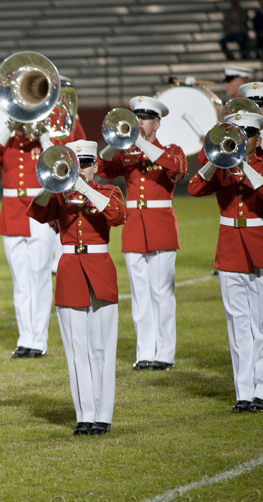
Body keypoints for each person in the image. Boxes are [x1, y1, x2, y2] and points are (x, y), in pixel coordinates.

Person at [28, 140, 126, 435]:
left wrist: (85, 188)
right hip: (70, 269)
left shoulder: (108, 191)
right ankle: (84, 414)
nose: (81, 170)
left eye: (85, 164)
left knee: (102, 347)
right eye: (76, 164)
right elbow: (36, 211)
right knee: (76, 348)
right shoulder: (59, 195)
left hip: (100, 270)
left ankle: (103, 416)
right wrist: (53, 182)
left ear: (96, 165)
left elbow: (118, 216)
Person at [188, 110, 263, 413]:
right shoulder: (221, 164)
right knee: (237, 323)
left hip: (261, 246)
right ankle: (244, 392)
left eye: (247, 135)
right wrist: (216, 157)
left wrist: (246, 169)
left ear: (257, 139)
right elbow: (195, 188)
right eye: (236, 133)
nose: (241, 139)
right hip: (230, 247)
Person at [97, 96, 187, 370]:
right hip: (134, 226)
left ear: (157, 123)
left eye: (145, 118)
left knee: (162, 293)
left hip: (160, 227)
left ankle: (165, 354)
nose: (139, 122)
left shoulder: (172, 150)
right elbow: (100, 168)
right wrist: (115, 142)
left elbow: (177, 168)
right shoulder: (127, 153)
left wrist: (140, 143)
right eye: (136, 118)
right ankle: (145, 352)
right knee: (140, 295)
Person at [0, 114, 64, 358]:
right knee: (21, 281)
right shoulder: (8, 142)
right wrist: (9, 127)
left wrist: (45, 136)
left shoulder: (44, 143)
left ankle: (39, 339)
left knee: (39, 276)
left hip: (39, 212)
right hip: (12, 215)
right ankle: (25, 337)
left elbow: (60, 163)